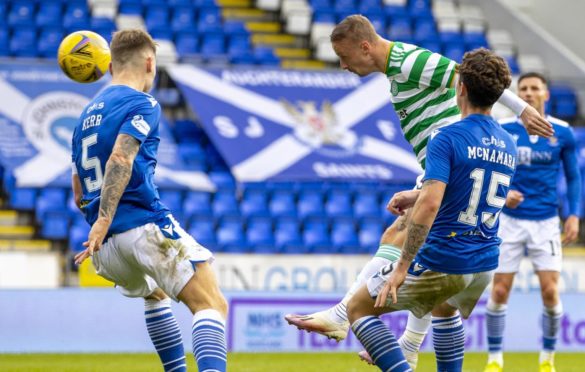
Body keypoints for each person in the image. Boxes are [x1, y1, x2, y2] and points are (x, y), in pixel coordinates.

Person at [284, 14, 552, 368]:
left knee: (399, 232)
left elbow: (472, 76)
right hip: (453, 169)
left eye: (344, 56)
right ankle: (408, 343)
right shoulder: (396, 74)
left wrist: (522, 109)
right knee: (441, 299)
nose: (343, 65)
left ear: (365, 46)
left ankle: (343, 314)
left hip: (447, 157)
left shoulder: (408, 61)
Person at [346, 47, 517, 372]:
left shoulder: (446, 136)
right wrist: (416, 194)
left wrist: (402, 267)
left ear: (461, 88)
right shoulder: (507, 141)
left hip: (447, 258)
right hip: (485, 262)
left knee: (358, 308)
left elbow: (432, 204)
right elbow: (469, 189)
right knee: (443, 308)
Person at [72, 29, 228, 372]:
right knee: (211, 304)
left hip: (107, 250)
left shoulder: (84, 117)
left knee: (155, 294)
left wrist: (99, 224)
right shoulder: (143, 103)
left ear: (110, 66)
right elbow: (120, 159)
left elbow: (78, 189)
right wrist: (105, 219)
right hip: (138, 224)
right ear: (149, 63)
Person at [484, 73, 582, 372]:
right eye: (522, 88)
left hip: (546, 222)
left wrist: (574, 214)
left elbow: (573, 176)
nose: (527, 93)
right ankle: (494, 359)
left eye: (533, 88)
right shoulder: (503, 129)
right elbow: (489, 171)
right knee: (500, 291)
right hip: (510, 221)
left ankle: (547, 359)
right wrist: (503, 193)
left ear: (546, 94)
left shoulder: (562, 132)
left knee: (551, 292)